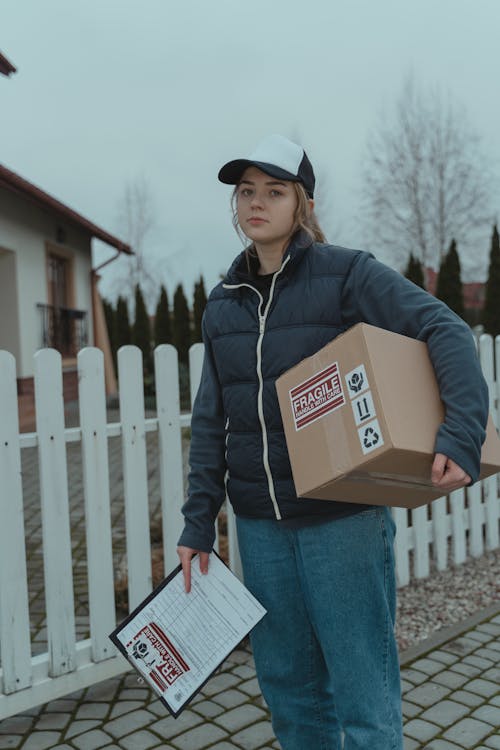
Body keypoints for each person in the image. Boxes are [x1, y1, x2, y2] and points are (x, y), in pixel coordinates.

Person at [177, 134, 488, 750]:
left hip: (339, 520)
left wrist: (462, 432)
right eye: (246, 191)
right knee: (291, 694)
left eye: (275, 191)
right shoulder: (222, 306)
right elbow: (212, 420)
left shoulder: (347, 274)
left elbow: (444, 327)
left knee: (363, 696)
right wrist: (196, 524)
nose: (256, 203)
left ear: (304, 205)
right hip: (259, 526)